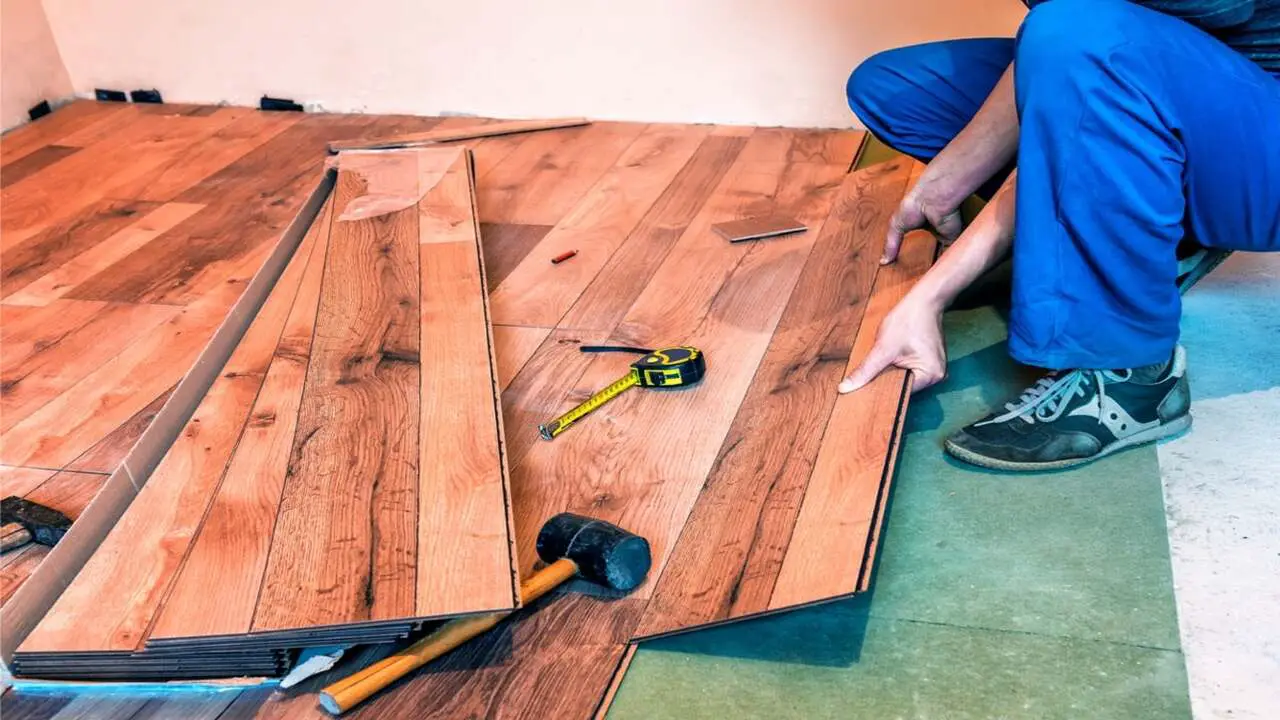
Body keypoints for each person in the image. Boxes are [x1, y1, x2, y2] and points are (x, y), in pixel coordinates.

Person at [838, 0, 1280, 471]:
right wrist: (945, 184)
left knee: (1076, 37)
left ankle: (1130, 374)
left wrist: (932, 294)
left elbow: (1086, 44)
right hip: (1198, 88)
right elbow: (1054, 47)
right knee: (895, 89)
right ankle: (1142, 243)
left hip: (1262, 148)